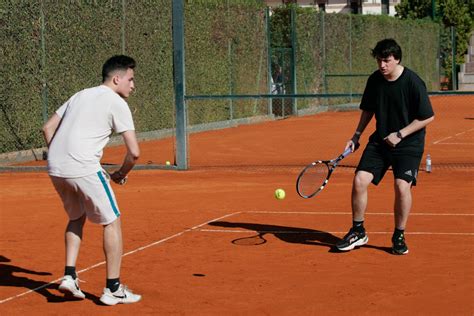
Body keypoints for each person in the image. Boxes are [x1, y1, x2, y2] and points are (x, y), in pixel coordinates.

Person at [42, 55, 142, 305]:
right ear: (117, 78)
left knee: (76, 217)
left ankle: (69, 275)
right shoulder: (116, 103)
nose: (133, 85)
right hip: (83, 166)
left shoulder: (81, 94)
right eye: (130, 79)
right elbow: (135, 153)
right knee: (112, 221)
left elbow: (48, 128)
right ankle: (113, 289)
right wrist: (120, 174)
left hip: (55, 167)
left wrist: (60, 156)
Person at [335, 39, 434, 255]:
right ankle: (358, 231)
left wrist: (400, 134)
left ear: (397, 59)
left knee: (401, 186)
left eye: (386, 61)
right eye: (379, 60)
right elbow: (368, 110)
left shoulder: (413, 82)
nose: (382, 65)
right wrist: (356, 136)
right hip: (380, 141)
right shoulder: (375, 80)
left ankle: (399, 235)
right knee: (360, 179)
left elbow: (427, 117)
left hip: (409, 143)